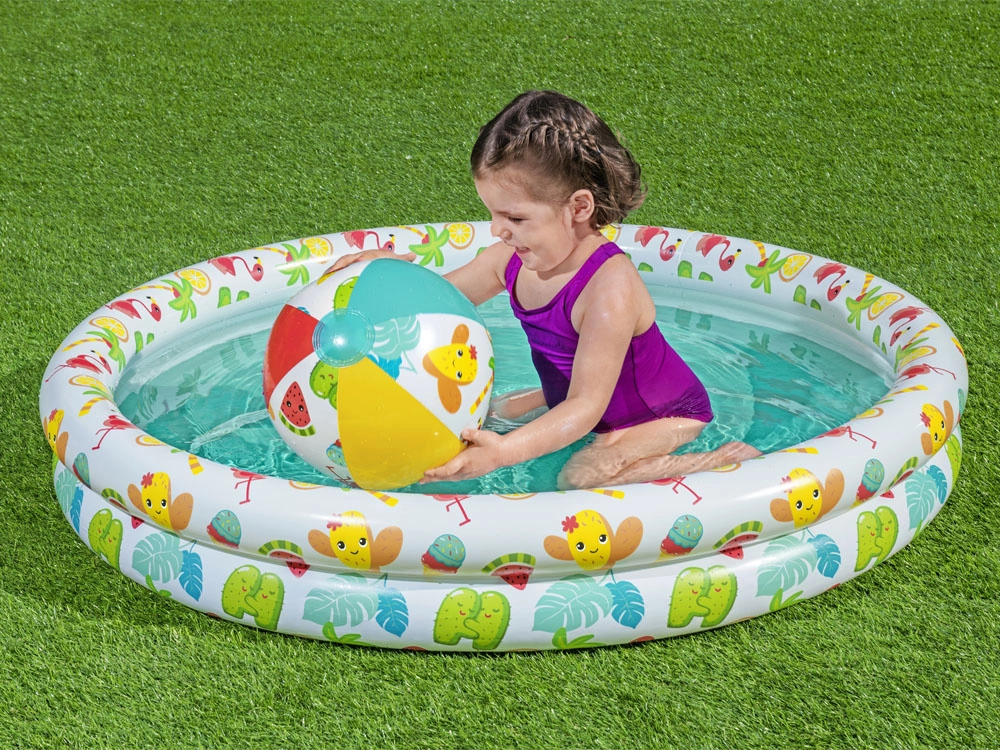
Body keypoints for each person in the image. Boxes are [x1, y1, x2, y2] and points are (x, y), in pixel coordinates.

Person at [328, 90, 760, 488]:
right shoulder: (510, 261)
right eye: (493, 214)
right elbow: (433, 306)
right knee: (483, 417)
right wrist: (381, 271)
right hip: (572, 396)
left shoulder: (609, 289)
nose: (498, 230)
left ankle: (718, 462)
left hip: (656, 416)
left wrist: (503, 454)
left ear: (578, 207)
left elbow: (585, 407)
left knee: (579, 479)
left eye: (515, 218)